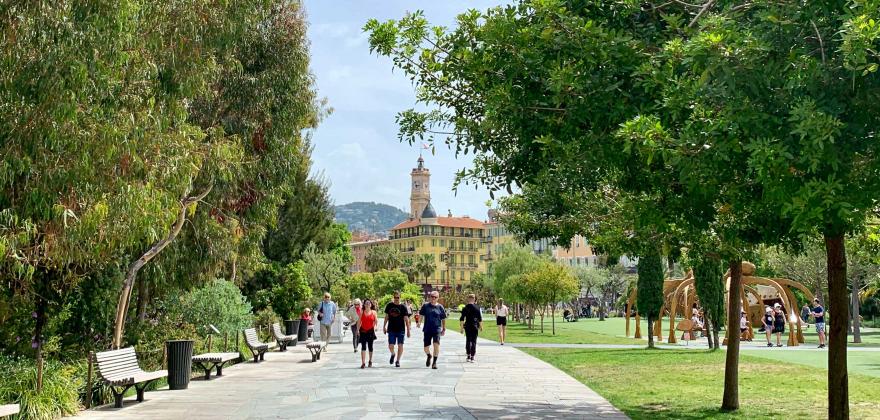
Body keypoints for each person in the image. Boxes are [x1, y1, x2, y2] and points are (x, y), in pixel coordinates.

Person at [419, 291, 446, 369]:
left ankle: (434, 363)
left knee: (436, 345)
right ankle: (429, 355)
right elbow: (421, 315)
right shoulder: (425, 306)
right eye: (432, 297)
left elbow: (443, 319)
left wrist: (443, 328)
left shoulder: (440, 307)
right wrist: (419, 322)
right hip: (427, 329)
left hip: (437, 329)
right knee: (426, 348)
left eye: (435, 297)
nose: (433, 298)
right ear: (430, 297)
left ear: (438, 298)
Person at [383, 291, 411, 368]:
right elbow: (386, 317)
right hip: (391, 328)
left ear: (400, 298)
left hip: (401, 329)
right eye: (395, 297)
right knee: (391, 345)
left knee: (400, 345)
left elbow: (406, 319)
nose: (396, 299)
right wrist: (384, 326)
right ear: (393, 297)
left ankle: (398, 360)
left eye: (397, 297)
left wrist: (408, 330)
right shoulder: (389, 305)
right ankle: (393, 354)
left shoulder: (403, 307)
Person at [460, 294, 483, 362]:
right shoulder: (477, 308)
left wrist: (461, 328)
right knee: (474, 341)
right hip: (475, 326)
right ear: (474, 299)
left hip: (467, 326)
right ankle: (472, 357)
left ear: (468, 299)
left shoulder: (465, 308)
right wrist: (481, 327)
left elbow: (462, 319)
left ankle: (468, 356)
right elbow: (480, 319)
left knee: (468, 340)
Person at [356, 299, 378, 368]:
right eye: (366, 303)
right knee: (363, 346)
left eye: (369, 303)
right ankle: (363, 363)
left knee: (370, 347)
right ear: (364, 305)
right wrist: (357, 330)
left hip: (371, 331)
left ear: (371, 305)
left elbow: (376, 321)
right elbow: (359, 322)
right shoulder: (362, 312)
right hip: (363, 331)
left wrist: (376, 327)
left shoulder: (374, 312)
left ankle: (370, 361)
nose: (368, 304)